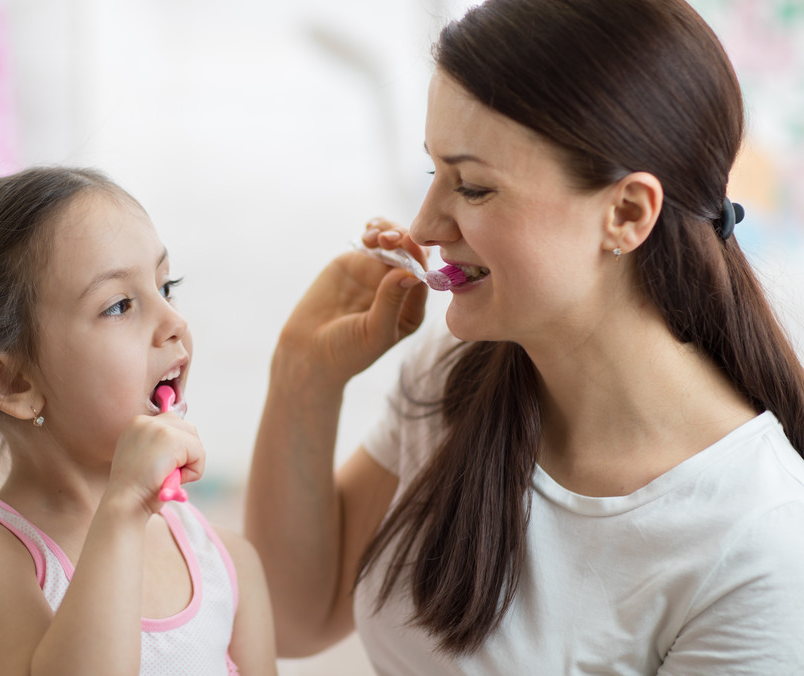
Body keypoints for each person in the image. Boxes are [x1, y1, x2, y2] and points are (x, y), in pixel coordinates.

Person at [245, 0, 804, 673]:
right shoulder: (454, 370)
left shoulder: (758, 544)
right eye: (434, 174)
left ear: (626, 213)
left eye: (473, 188)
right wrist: (305, 376)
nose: (423, 226)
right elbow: (292, 616)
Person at [0, 166, 277, 675]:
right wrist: (124, 507)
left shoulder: (229, 567)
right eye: (120, 305)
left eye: (165, 286)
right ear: (13, 383)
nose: (175, 323)